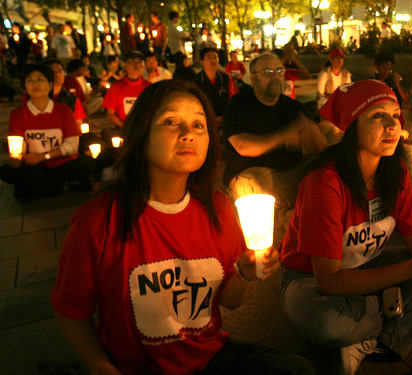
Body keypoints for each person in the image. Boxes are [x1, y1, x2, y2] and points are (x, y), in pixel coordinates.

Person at [50, 79, 315, 375]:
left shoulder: (219, 209)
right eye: (171, 121)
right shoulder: (97, 221)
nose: (188, 134)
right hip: (135, 366)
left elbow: (229, 301)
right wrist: (100, 366)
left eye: (199, 125)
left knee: (294, 369)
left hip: (207, 357)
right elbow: (71, 311)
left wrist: (246, 271)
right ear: (141, 133)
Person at [280, 80, 412, 375]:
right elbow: (328, 281)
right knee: (323, 321)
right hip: (309, 278)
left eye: (395, 115)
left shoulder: (396, 172)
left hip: (369, 265)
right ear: (351, 126)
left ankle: (367, 338)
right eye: (378, 116)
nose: (392, 125)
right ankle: (404, 317)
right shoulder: (324, 183)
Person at [222, 53, 329, 230]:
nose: (275, 76)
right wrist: (286, 136)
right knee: (255, 180)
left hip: (292, 174)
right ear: (254, 78)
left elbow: (320, 147)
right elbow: (242, 146)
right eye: (268, 71)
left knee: (327, 166)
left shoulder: (292, 106)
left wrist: (312, 131)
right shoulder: (239, 104)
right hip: (254, 177)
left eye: (279, 70)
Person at [0, 64, 93, 199]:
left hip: (63, 164)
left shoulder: (63, 111)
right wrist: (16, 158)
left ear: (50, 85)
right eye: (30, 80)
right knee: (7, 171)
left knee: (87, 164)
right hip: (35, 166)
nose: (35, 84)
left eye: (40, 80)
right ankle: (62, 186)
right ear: (25, 86)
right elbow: (18, 146)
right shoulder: (18, 114)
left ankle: (41, 187)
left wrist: (45, 156)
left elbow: (72, 146)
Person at [103, 50, 151, 128]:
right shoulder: (116, 87)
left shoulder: (150, 87)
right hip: (123, 129)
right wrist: (125, 127)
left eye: (140, 62)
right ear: (125, 65)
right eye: (132, 62)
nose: (137, 65)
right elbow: (110, 114)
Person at [194, 47, 237, 124]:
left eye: (215, 57)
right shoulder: (195, 80)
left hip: (225, 120)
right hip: (203, 121)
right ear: (202, 61)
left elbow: (233, 100)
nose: (213, 60)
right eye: (209, 57)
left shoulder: (226, 79)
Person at [44, 59, 87, 127]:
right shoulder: (36, 98)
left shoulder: (72, 100)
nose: (57, 74)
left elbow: (77, 126)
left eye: (60, 71)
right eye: (53, 72)